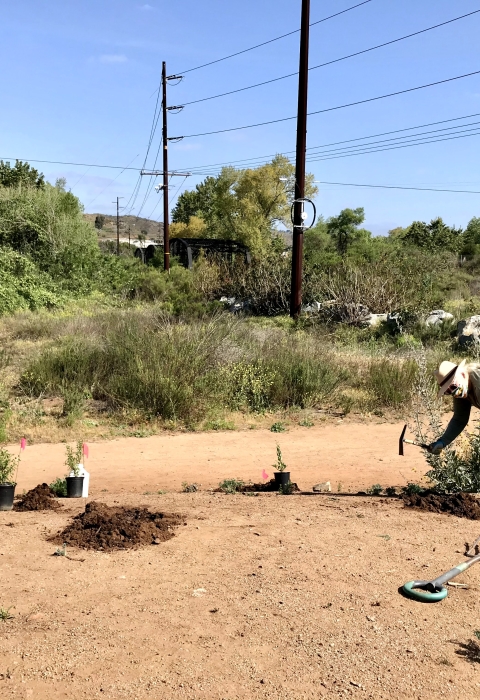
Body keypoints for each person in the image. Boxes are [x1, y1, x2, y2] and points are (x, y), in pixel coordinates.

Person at [428, 359, 480, 454]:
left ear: (463, 375)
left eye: (453, 387)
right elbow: (459, 420)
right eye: (448, 392)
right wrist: (443, 441)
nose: (454, 393)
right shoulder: (461, 391)